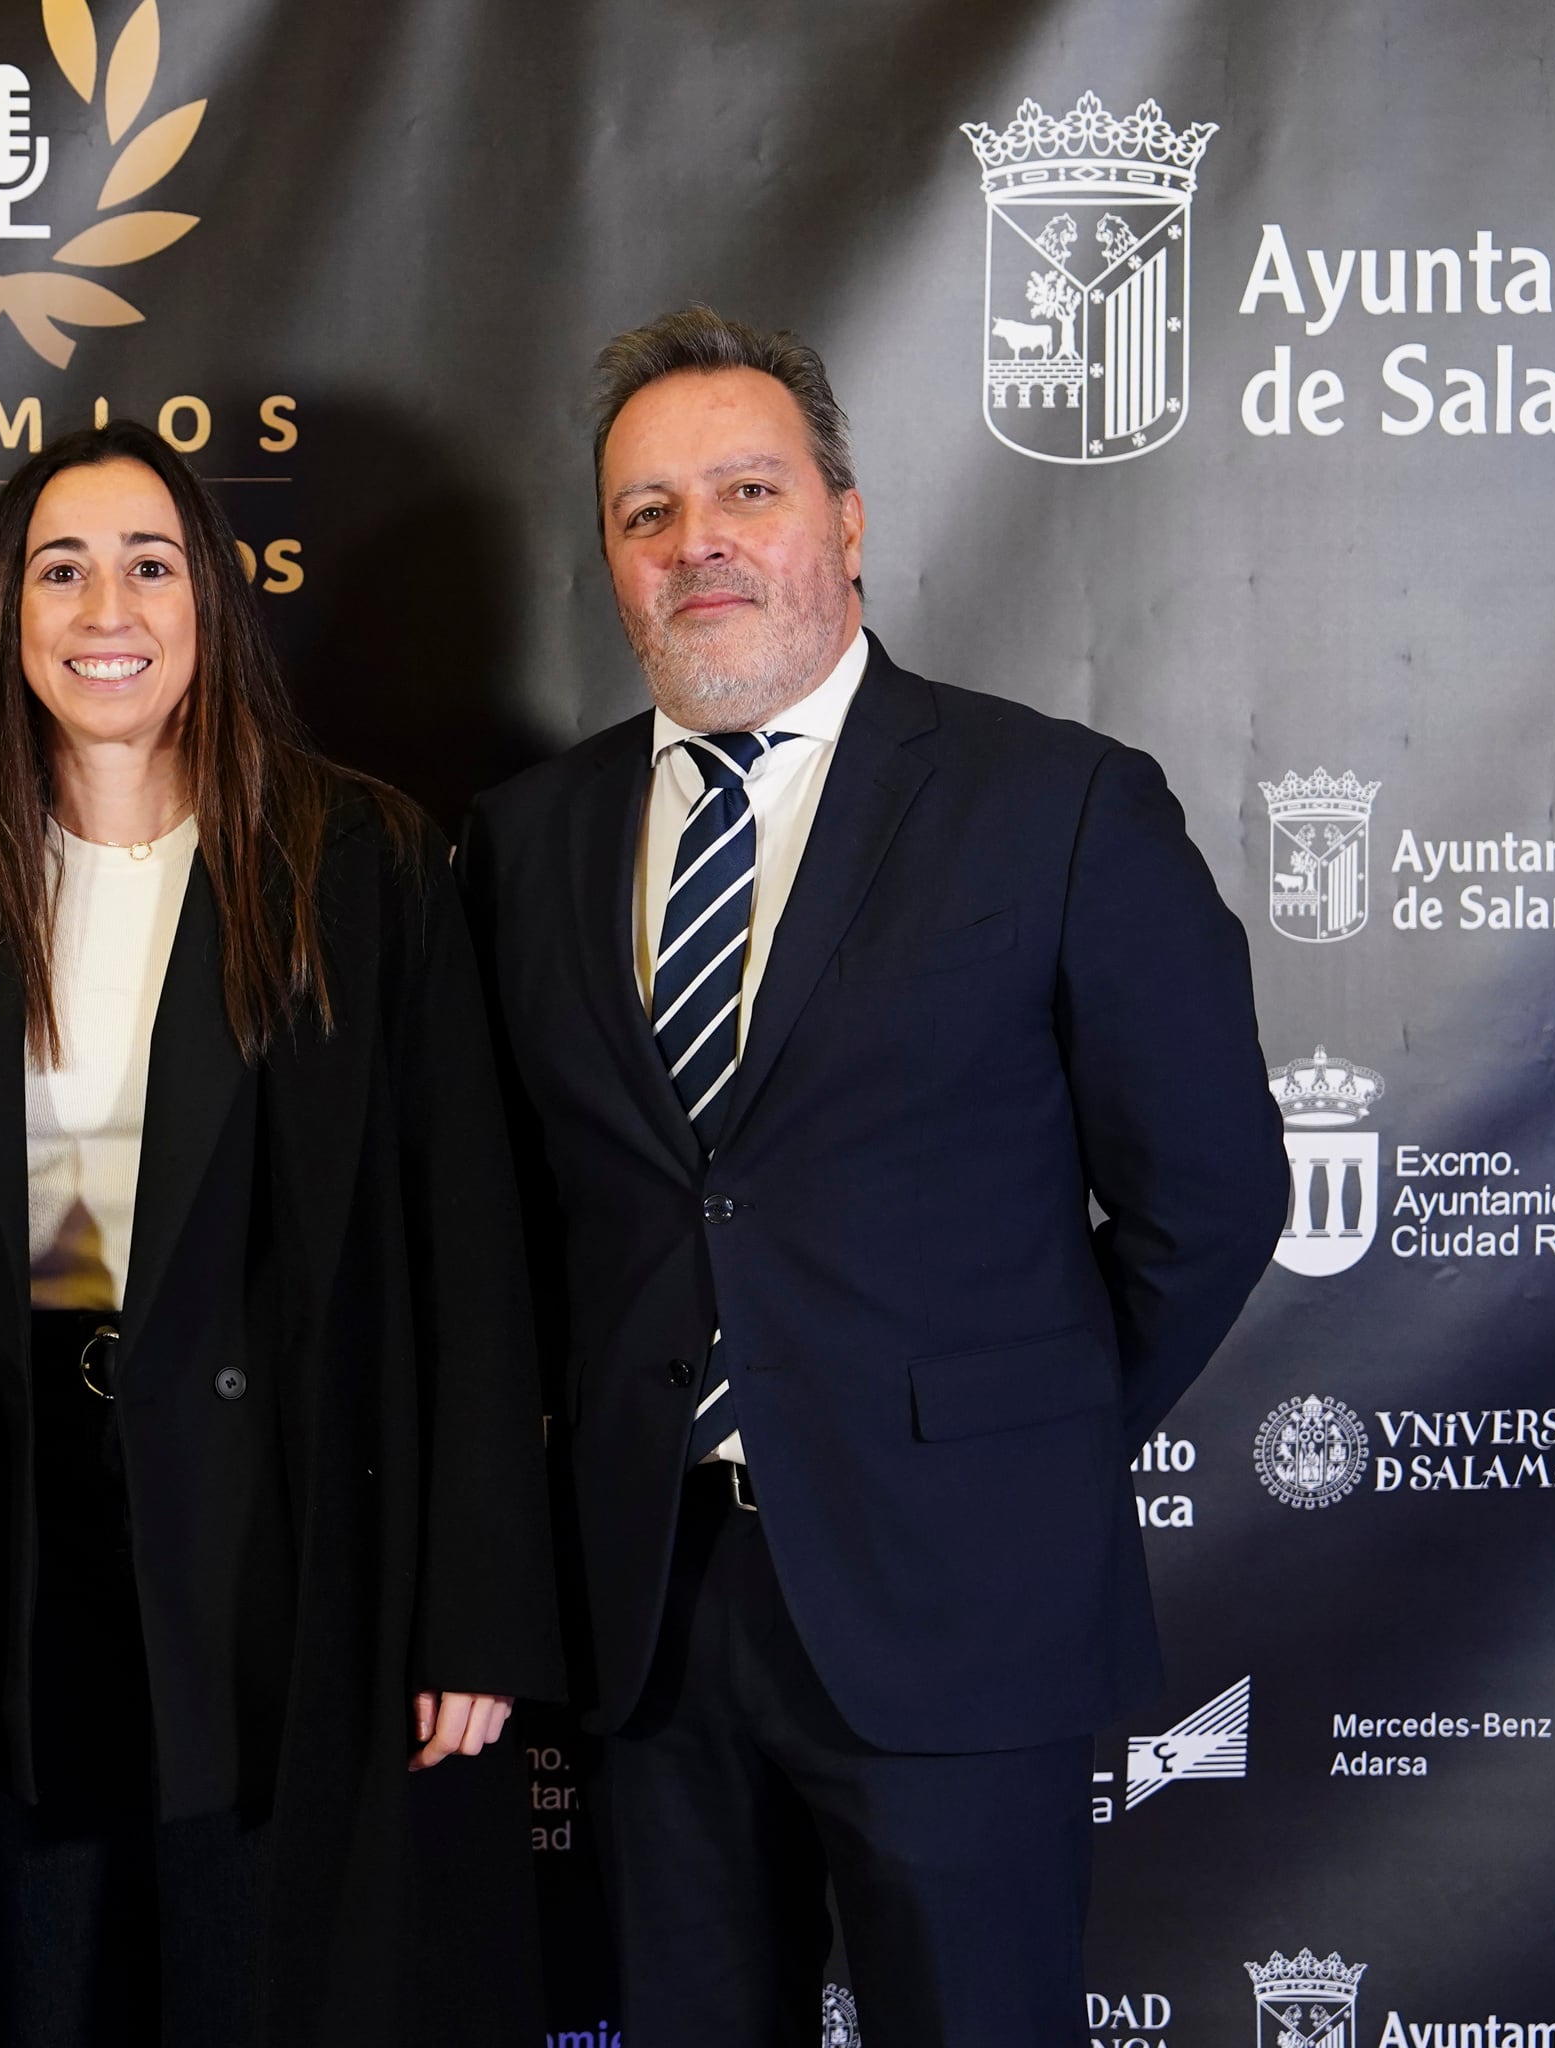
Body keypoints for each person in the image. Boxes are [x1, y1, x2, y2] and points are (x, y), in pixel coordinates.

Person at [459, 310, 1286, 2048]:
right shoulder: (526, 842)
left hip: (958, 1594)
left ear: (843, 521)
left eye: (746, 491)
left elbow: (1208, 1197)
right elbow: (514, 1228)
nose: (698, 541)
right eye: (647, 512)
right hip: (648, 1615)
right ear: (610, 561)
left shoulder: (1055, 805)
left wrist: (1000, 1445)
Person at [0, 420, 565, 2047]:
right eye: (61, 570)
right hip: (10, 1555)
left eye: (150, 565)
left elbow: (470, 1254)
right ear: (8, 613)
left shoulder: (361, 862)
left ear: (211, 605)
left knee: (261, 1987)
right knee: (30, 1985)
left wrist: (471, 1604)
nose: (106, 608)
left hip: (287, 1560)